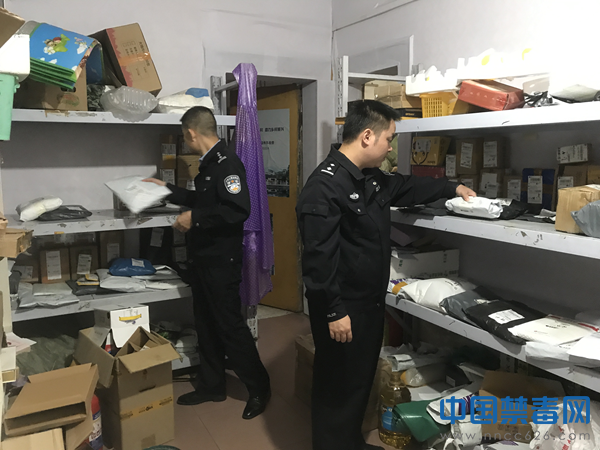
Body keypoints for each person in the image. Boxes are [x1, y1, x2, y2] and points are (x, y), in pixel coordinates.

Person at [296, 100, 475, 450]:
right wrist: (333, 311)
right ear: (367, 136)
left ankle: (349, 442)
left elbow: (407, 187)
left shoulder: (371, 179)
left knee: (359, 381)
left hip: (369, 304)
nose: (391, 148)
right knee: (337, 386)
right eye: (389, 139)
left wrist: (451, 188)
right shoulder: (324, 187)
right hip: (342, 308)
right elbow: (318, 260)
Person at [144, 106, 271, 420]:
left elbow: (237, 209)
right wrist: (168, 191)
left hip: (221, 261)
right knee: (205, 323)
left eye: (184, 136)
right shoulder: (210, 164)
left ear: (191, 133)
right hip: (203, 259)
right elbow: (205, 201)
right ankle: (212, 385)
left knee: (229, 326)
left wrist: (195, 218)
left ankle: (259, 388)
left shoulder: (228, 164)